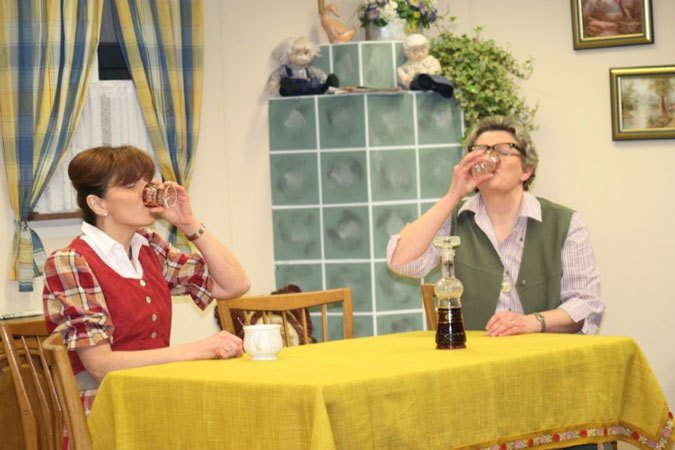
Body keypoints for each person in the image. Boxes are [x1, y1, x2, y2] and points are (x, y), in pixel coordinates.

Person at [43, 145, 250, 413]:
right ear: (98, 204)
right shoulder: (70, 261)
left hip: (154, 394)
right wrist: (198, 349)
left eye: (147, 183)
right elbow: (100, 365)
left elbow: (234, 285)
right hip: (103, 407)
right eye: (131, 186)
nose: (147, 193)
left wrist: (188, 223)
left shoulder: (149, 246)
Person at [387, 116, 604, 337]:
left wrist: (533, 322)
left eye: (503, 150)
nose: (490, 158)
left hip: (545, 354)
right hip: (474, 355)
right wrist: (453, 194)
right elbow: (401, 262)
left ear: (527, 170)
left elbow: (587, 304)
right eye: (480, 151)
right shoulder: (455, 218)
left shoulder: (565, 223)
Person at [266, 36, 339, 97]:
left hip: (311, 91)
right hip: (295, 92)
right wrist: (273, 83)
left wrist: (325, 78)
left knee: (328, 79)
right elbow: (277, 75)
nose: (302, 56)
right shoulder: (285, 69)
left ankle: (330, 88)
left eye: (305, 53)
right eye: (297, 52)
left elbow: (319, 73)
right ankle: (295, 91)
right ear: (287, 54)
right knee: (285, 81)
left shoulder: (309, 69)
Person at [397, 33, 453, 99]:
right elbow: (404, 78)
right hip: (416, 86)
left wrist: (425, 72)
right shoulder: (405, 67)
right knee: (416, 82)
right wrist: (407, 79)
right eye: (415, 51)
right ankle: (426, 84)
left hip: (431, 82)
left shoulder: (431, 61)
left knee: (433, 79)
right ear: (407, 53)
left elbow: (436, 71)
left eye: (423, 50)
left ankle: (440, 86)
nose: (420, 54)